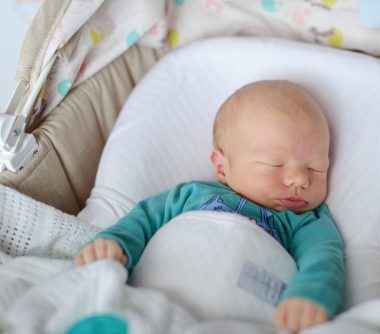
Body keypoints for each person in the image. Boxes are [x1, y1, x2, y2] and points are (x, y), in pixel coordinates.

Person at [75, 80, 345, 332]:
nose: (300, 179)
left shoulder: (305, 221)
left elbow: (323, 259)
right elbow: (143, 220)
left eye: (316, 167)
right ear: (221, 166)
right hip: (154, 295)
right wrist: (117, 242)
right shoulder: (191, 195)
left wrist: (309, 296)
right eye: (274, 164)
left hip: (234, 314)